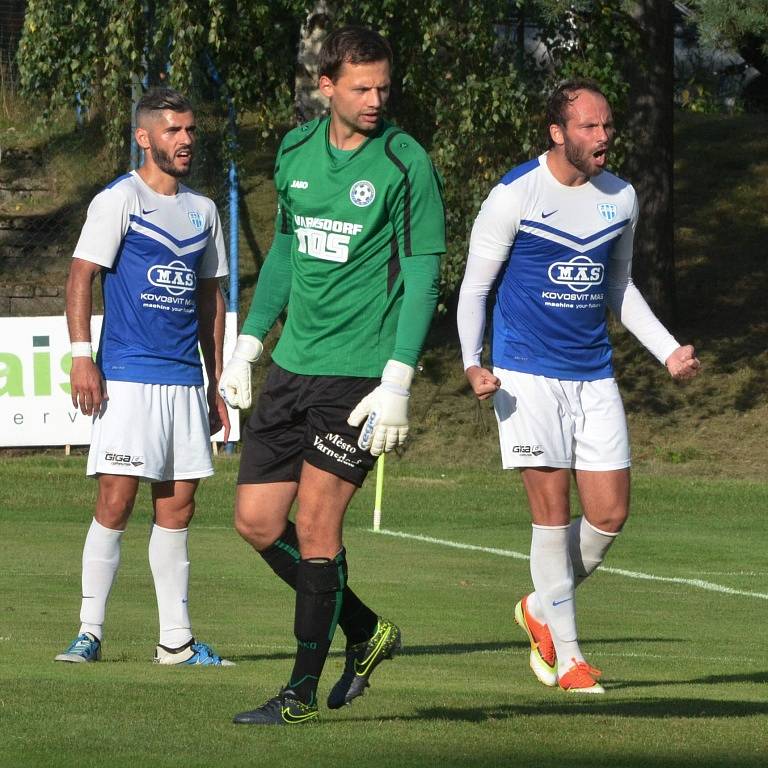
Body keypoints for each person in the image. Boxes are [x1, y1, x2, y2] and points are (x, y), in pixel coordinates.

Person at [219, 26, 446, 724]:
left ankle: (298, 694)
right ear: (327, 87)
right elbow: (286, 252)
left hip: (357, 381)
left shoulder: (406, 164)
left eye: (383, 86)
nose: (377, 99)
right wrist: (250, 342)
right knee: (257, 522)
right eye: (361, 87)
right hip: (291, 369)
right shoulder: (294, 151)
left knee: (318, 528)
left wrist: (399, 381)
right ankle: (366, 630)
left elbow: (423, 276)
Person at [457, 78, 700, 694]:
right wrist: (472, 361)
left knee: (611, 513)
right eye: (589, 127)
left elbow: (619, 286)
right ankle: (568, 658)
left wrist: (667, 350)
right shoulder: (515, 193)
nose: (603, 137)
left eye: (608, 125)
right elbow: (475, 288)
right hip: (524, 375)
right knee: (551, 512)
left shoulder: (621, 198)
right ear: (557, 132)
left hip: (594, 374)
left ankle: (540, 606)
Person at [55, 87, 233, 667]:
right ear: (144, 136)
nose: (185, 140)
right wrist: (83, 355)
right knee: (115, 501)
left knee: (177, 511)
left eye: (190, 130)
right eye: (174, 130)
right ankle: (89, 631)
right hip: (128, 377)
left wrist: (215, 384)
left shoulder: (204, 211)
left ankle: (176, 642)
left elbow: (212, 301)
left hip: (185, 381)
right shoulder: (119, 200)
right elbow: (81, 276)